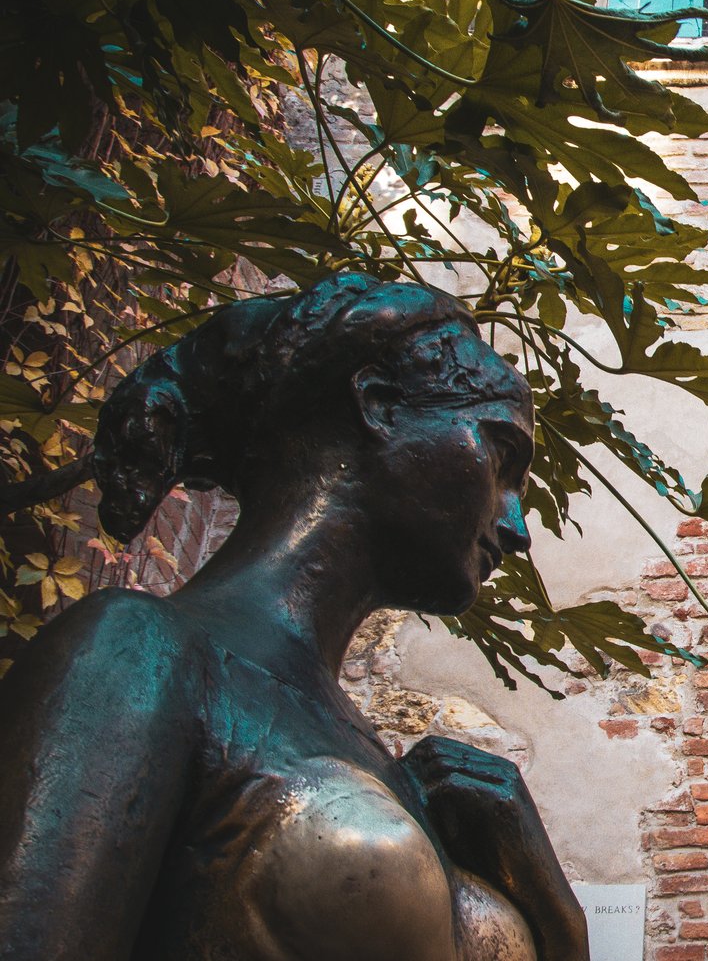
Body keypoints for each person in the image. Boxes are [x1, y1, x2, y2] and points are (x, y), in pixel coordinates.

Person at [0, 272, 590, 961]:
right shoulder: (134, 652)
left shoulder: (386, 763)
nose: (518, 528)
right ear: (379, 404)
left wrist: (554, 909)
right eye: (501, 455)